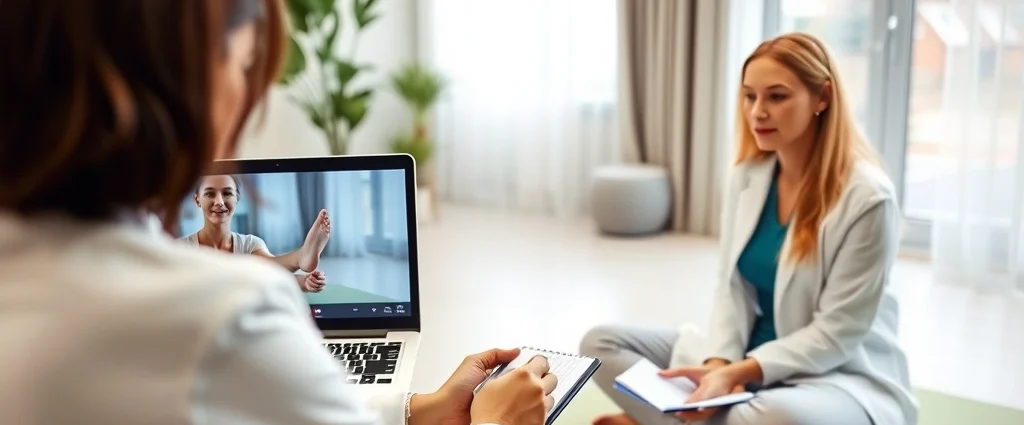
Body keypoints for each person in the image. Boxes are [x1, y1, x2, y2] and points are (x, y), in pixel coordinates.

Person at [0, 1, 557, 424]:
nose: (245, 94)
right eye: (244, 64)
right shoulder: (223, 310)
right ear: (190, 76)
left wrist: (419, 408)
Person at [579, 32, 916, 425]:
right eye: (749, 96)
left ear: (822, 97)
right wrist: (718, 364)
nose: (757, 112)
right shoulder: (748, 176)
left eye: (776, 96)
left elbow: (836, 333)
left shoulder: (868, 199)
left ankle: (659, 420)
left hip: (834, 375)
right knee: (599, 344)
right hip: (742, 355)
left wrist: (737, 373)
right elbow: (731, 288)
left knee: (772, 418)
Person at [182, 173, 331, 293]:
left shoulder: (250, 244)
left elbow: (269, 272)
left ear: (237, 199)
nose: (220, 201)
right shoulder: (180, 248)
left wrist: (305, 282)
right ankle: (301, 256)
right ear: (197, 200)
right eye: (210, 194)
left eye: (227, 193)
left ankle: (303, 256)